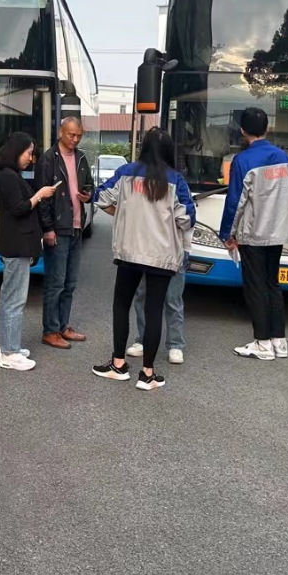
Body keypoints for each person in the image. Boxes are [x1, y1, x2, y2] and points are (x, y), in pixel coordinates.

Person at [92, 128, 194, 390]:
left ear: (144, 146)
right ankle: (148, 374)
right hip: (162, 255)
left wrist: (121, 212)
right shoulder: (176, 180)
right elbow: (187, 218)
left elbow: (100, 196)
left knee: (121, 305)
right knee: (154, 310)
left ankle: (118, 364)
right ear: (169, 150)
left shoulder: (126, 173)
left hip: (129, 251)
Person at [220, 107, 288, 361]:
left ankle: (262, 343)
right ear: (267, 128)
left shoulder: (242, 160)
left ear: (243, 130)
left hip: (253, 233)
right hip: (278, 231)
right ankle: (279, 342)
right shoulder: (284, 158)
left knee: (255, 287)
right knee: (272, 284)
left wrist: (227, 233)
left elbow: (235, 202)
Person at [0, 132, 59, 371]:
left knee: (9, 299)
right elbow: (19, 209)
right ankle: (9, 352)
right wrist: (39, 195)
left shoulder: (9, 175)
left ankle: (7, 346)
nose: (30, 158)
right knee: (14, 300)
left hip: (15, 244)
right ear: (16, 151)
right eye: (28, 153)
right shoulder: (8, 177)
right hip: (16, 245)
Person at [35, 117, 93, 349]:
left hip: (77, 226)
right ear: (60, 132)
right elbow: (42, 198)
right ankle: (50, 331)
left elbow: (89, 186)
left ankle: (62, 326)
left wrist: (89, 195)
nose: (75, 139)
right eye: (71, 134)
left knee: (70, 283)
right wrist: (47, 228)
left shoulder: (81, 158)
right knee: (55, 283)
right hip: (58, 229)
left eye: (79, 135)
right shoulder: (48, 159)